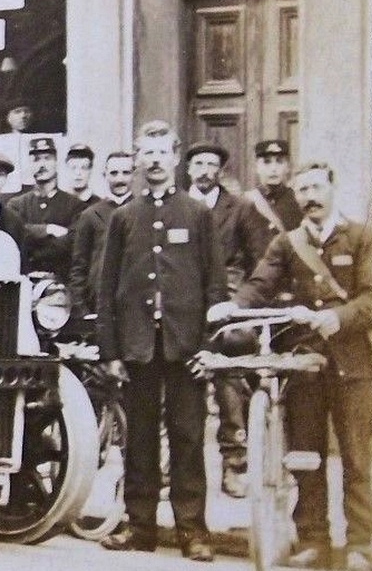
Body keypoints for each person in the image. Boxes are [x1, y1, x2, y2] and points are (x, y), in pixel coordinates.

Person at [210, 163, 372, 571]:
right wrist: (235, 305)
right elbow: (260, 283)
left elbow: (370, 297)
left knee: (357, 458)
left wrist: (338, 317)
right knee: (306, 456)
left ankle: (361, 545)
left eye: (316, 187)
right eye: (302, 191)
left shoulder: (360, 237)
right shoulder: (287, 242)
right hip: (303, 362)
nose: (309, 197)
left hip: (352, 365)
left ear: (332, 188)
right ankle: (314, 540)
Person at [96, 121, 224, 562]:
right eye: (146, 153)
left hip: (185, 347)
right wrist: (111, 351)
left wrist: (209, 346)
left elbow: (215, 286)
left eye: (161, 152)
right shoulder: (124, 218)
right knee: (140, 439)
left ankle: (193, 532)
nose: (153, 161)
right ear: (137, 161)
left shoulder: (197, 214)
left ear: (175, 158)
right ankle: (140, 527)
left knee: (188, 437)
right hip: (138, 346)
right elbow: (107, 289)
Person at [183, 140, 246, 496]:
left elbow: (255, 259)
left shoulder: (239, 208)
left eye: (211, 165)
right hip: (184, 307)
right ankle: (170, 466)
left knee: (228, 379)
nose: (205, 171)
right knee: (176, 383)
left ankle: (234, 464)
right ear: (188, 169)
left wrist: (234, 300)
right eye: (198, 164)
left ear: (220, 171)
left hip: (224, 308)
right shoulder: (176, 206)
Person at [68, 151, 134, 316]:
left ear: (133, 174)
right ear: (105, 175)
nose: (120, 179)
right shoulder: (90, 215)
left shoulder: (144, 212)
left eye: (126, 173)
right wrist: (82, 310)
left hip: (136, 307)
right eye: (114, 173)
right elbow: (79, 267)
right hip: (99, 306)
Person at [9, 137, 87, 276]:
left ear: (56, 162)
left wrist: (31, 240)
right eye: (36, 159)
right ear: (29, 164)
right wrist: (48, 229)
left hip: (62, 280)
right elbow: (14, 236)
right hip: (26, 278)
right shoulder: (16, 204)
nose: (42, 164)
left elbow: (74, 243)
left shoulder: (76, 205)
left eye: (47, 158)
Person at [230, 139, 301, 278]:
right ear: (256, 167)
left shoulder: (299, 201)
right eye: (267, 162)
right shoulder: (245, 203)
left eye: (279, 162)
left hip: (291, 278)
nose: (273, 168)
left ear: (288, 167)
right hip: (256, 278)